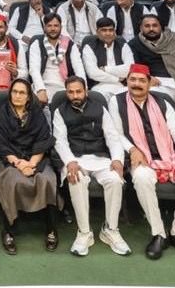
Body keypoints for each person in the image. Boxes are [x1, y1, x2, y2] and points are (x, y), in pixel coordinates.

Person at [122, 63, 175, 259]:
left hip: (169, 158)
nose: (136, 84)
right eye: (132, 80)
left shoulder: (163, 103)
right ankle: (159, 233)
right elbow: (115, 132)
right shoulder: (117, 102)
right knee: (141, 177)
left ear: (150, 83)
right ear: (127, 81)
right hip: (141, 159)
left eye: (141, 80)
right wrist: (132, 149)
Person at [53, 76, 129, 256]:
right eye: (71, 92)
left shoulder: (100, 108)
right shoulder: (59, 111)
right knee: (76, 179)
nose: (75, 95)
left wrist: (117, 159)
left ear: (86, 91)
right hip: (75, 159)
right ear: (66, 93)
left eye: (78, 91)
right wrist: (69, 161)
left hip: (100, 157)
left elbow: (112, 136)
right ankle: (84, 232)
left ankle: (110, 229)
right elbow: (60, 141)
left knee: (115, 180)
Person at [0, 78, 59, 254]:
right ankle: (8, 230)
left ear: (28, 97)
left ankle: (50, 228)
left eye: (22, 93)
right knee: (13, 181)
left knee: (47, 179)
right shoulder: (1, 113)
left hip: (35, 158)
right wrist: (19, 164)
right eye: (14, 92)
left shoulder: (37, 114)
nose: (17, 96)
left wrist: (32, 163)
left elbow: (44, 139)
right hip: (9, 159)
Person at [26, 13, 85, 105]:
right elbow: (34, 69)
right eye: (49, 26)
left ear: (61, 27)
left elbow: (79, 68)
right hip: (43, 84)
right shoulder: (37, 43)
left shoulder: (69, 44)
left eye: (56, 26)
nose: (53, 29)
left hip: (66, 86)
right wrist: (40, 89)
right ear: (44, 27)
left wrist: (84, 88)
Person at [81, 17, 133, 98]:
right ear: (97, 32)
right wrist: (116, 79)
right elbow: (92, 73)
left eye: (111, 30)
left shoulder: (122, 44)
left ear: (114, 32)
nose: (108, 33)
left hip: (122, 86)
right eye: (104, 30)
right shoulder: (89, 47)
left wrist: (105, 69)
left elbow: (130, 68)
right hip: (99, 86)